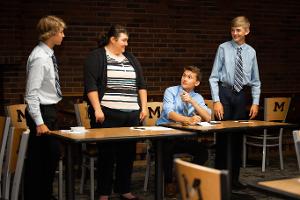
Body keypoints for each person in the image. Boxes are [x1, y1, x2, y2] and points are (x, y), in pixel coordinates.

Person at [84, 24, 147, 200]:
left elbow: (141, 85)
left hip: (131, 115)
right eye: (124, 40)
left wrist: (143, 107)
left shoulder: (130, 58)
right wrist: (97, 109)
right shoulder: (96, 56)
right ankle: (103, 192)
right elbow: (91, 86)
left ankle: (124, 189)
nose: (126, 44)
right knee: (107, 155)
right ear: (113, 40)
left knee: (127, 155)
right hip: (107, 114)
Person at [209, 16, 261, 189]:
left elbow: (256, 81)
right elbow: (213, 77)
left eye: (238, 30)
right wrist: (216, 101)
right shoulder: (223, 48)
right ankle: (220, 179)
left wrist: (255, 102)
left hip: (240, 96)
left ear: (247, 31)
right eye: (232, 30)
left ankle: (234, 179)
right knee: (223, 138)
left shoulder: (251, 52)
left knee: (237, 138)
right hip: (224, 94)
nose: (234, 33)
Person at [24, 15, 66, 200]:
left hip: (49, 110)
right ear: (52, 34)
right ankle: (39, 195)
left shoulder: (48, 54)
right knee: (41, 160)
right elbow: (31, 94)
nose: (63, 35)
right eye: (61, 31)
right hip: (41, 112)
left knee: (48, 158)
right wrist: (40, 122)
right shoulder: (40, 57)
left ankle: (45, 194)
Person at [156, 66, 211, 196]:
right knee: (167, 147)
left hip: (183, 137)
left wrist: (192, 101)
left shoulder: (197, 97)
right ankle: (169, 182)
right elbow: (169, 113)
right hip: (165, 135)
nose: (184, 79)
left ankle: (184, 178)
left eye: (189, 77)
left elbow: (208, 117)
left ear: (196, 83)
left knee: (203, 152)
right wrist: (188, 119)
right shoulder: (171, 91)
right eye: (184, 75)